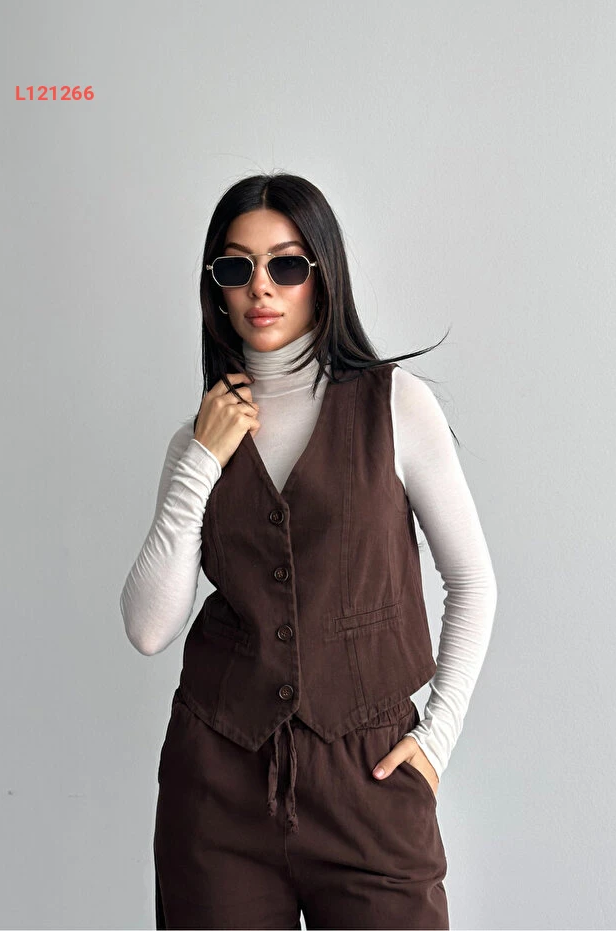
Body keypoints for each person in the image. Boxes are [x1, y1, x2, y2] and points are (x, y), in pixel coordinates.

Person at [120, 172, 497, 931]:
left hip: (369, 780)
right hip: (217, 783)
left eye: (286, 264)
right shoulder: (195, 442)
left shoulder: (395, 405)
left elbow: (471, 580)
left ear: (323, 276)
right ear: (216, 287)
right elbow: (148, 628)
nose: (261, 286)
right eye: (236, 267)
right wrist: (201, 459)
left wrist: (436, 739)